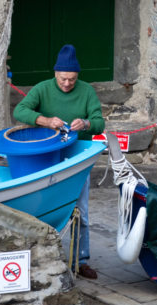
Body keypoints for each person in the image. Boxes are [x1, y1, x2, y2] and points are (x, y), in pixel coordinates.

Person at [13, 44, 104, 279]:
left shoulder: (86, 92)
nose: (67, 84)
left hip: (77, 156)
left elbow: (99, 122)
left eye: (72, 80)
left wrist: (85, 124)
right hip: (48, 155)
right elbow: (20, 111)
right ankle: (40, 255)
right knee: (44, 205)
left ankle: (80, 259)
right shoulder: (42, 89)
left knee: (80, 209)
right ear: (55, 74)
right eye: (63, 79)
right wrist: (44, 120)